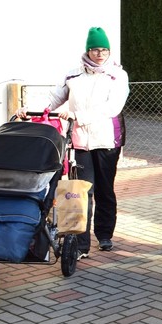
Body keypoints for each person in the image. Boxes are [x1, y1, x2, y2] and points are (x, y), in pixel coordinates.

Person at [17, 27, 129, 259]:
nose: (100, 54)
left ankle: (105, 235)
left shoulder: (117, 75)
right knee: (82, 191)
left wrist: (78, 116)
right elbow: (53, 98)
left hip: (107, 140)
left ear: (109, 51)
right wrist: (28, 109)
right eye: (95, 49)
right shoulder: (73, 75)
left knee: (105, 189)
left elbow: (113, 107)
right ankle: (80, 243)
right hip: (79, 141)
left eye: (104, 50)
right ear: (88, 50)